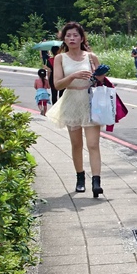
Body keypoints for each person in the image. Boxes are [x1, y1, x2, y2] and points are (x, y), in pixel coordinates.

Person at [47, 22, 104, 197]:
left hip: (91, 103)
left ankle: (96, 181)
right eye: (68, 35)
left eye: (75, 35)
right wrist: (73, 76)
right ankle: (80, 178)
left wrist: (100, 76)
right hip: (71, 101)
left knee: (93, 144)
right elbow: (57, 84)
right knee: (76, 144)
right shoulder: (60, 58)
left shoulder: (91, 57)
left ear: (81, 38)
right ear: (64, 39)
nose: (72, 38)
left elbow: (100, 82)